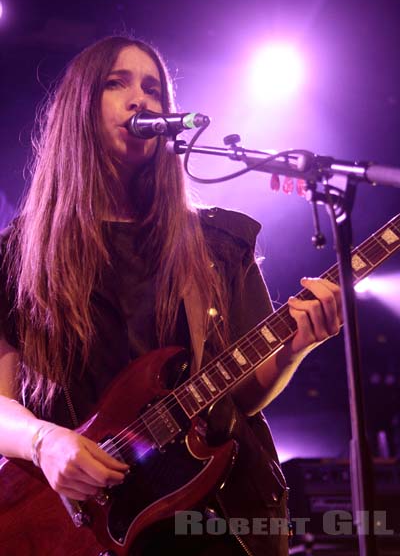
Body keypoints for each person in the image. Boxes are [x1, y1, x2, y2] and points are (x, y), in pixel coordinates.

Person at [0, 36, 342, 556]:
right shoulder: (21, 251)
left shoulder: (218, 244)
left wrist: (296, 346)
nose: (142, 100)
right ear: (78, 110)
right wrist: (44, 442)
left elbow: (242, 395)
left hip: (214, 520)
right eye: (116, 83)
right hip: (78, 522)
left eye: (154, 88)